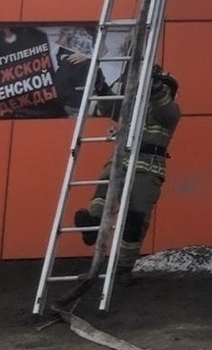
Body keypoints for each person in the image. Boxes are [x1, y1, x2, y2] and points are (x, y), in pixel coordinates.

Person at [74, 65, 181, 283]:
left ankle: (123, 269)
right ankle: (92, 229)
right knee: (101, 199)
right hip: (120, 162)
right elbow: (112, 108)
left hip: (148, 169)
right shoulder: (132, 109)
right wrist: (101, 86)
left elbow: (164, 108)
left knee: (135, 220)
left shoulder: (170, 112)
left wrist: (156, 85)